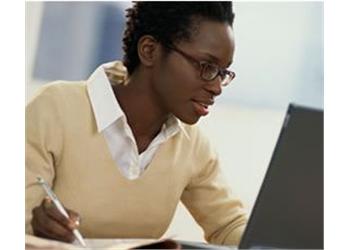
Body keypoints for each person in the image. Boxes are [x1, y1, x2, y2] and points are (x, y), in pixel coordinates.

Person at [26, 2, 248, 246]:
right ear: (150, 50)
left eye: (223, 72)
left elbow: (228, 225)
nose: (216, 87)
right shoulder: (54, 109)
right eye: (207, 67)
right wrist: (35, 229)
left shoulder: (191, 144)